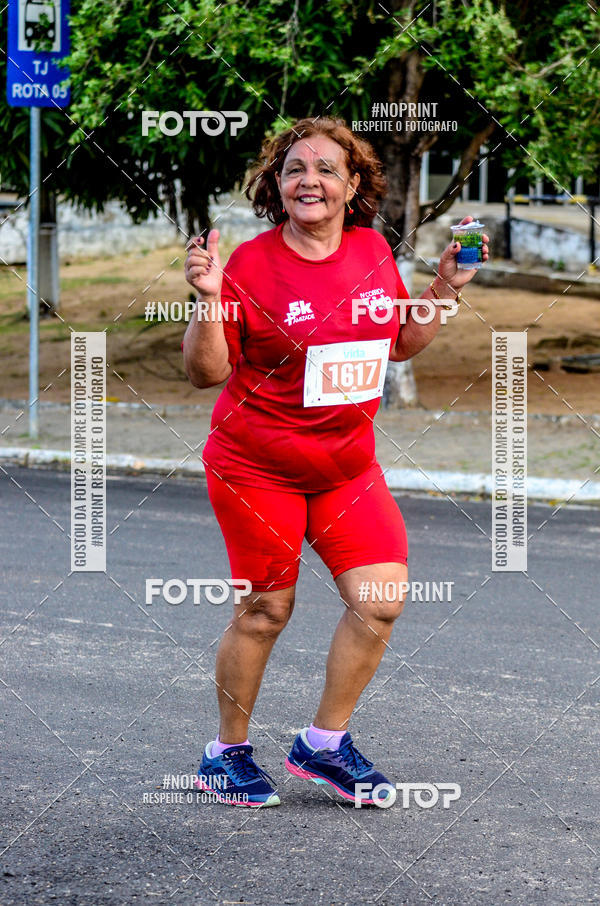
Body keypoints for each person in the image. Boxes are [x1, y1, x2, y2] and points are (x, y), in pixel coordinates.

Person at [182, 117, 489, 808]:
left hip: (346, 469)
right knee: (265, 610)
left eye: (326, 169)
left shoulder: (373, 249)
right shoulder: (250, 265)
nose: (309, 180)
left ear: (353, 185)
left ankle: (323, 744)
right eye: (294, 168)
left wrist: (445, 288)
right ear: (277, 185)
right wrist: (207, 301)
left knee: (380, 601)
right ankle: (225, 754)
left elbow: (397, 343)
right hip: (256, 467)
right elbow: (207, 372)